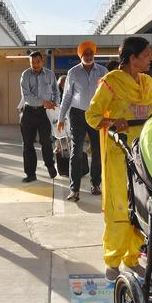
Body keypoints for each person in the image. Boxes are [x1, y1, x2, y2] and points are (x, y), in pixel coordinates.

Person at [85, 37, 152, 281]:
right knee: (120, 205)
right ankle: (113, 260)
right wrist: (113, 122)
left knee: (142, 204)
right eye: (146, 54)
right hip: (119, 154)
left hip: (144, 153)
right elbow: (92, 116)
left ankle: (132, 257)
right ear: (132, 58)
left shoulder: (148, 82)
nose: (151, 58)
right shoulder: (110, 82)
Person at [57, 41, 107, 202]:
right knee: (76, 151)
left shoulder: (103, 71)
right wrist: (61, 118)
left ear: (94, 54)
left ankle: (95, 184)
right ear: (80, 55)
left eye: (90, 53)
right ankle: (74, 189)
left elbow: (108, 95)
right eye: (85, 53)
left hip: (97, 115)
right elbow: (67, 97)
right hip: (77, 114)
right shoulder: (73, 72)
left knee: (98, 151)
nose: (88, 56)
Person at [19, 51, 59, 182]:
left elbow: (56, 91)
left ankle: (50, 165)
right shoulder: (25, 75)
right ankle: (30, 174)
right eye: (32, 63)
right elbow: (27, 96)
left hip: (44, 113)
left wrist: (55, 104)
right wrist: (44, 102)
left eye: (37, 62)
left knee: (46, 141)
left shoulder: (50, 74)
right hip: (29, 112)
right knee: (27, 144)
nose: (35, 65)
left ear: (42, 61)